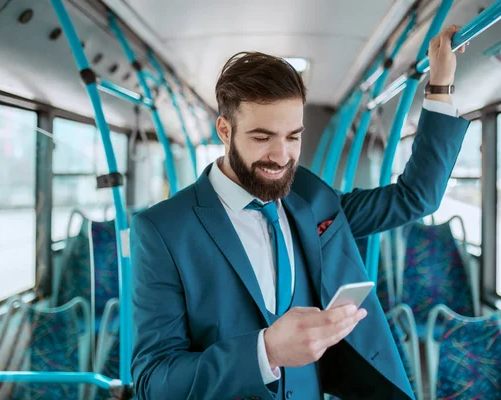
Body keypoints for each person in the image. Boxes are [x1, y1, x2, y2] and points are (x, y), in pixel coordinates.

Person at [130, 25, 470, 400]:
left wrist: (440, 83)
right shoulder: (162, 230)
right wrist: (267, 351)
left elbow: (414, 197)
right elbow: (153, 382)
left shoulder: (312, 198)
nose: (281, 157)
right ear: (225, 131)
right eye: (262, 137)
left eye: (293, 136)